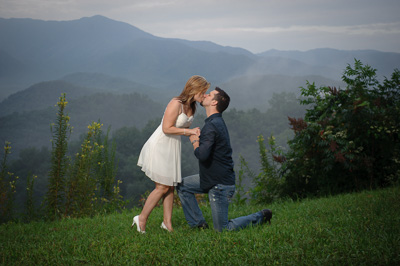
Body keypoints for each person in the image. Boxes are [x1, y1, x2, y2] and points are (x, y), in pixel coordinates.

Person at [177, 87, 272, 232]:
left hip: (220, 185)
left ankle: (261, 216)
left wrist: (194, 140)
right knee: (183, 186)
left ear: (214, 102)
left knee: (222, 229)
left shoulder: (212, 125)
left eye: (210, 95)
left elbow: (202, 155)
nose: (206, 95)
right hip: (210, 178)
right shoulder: (213, 122)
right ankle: (198, 224)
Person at [132, 75, 210, 233]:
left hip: (173, 148)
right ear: (194, 89)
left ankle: (167, 223)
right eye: (203, 92)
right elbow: (166, 128)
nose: (204, 95)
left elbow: (184, 130)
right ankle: (141, 219)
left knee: (170, 186)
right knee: (162, 187)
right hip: (160, 146)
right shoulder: (176, 103)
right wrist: (189, 131)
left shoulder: (192, 106)